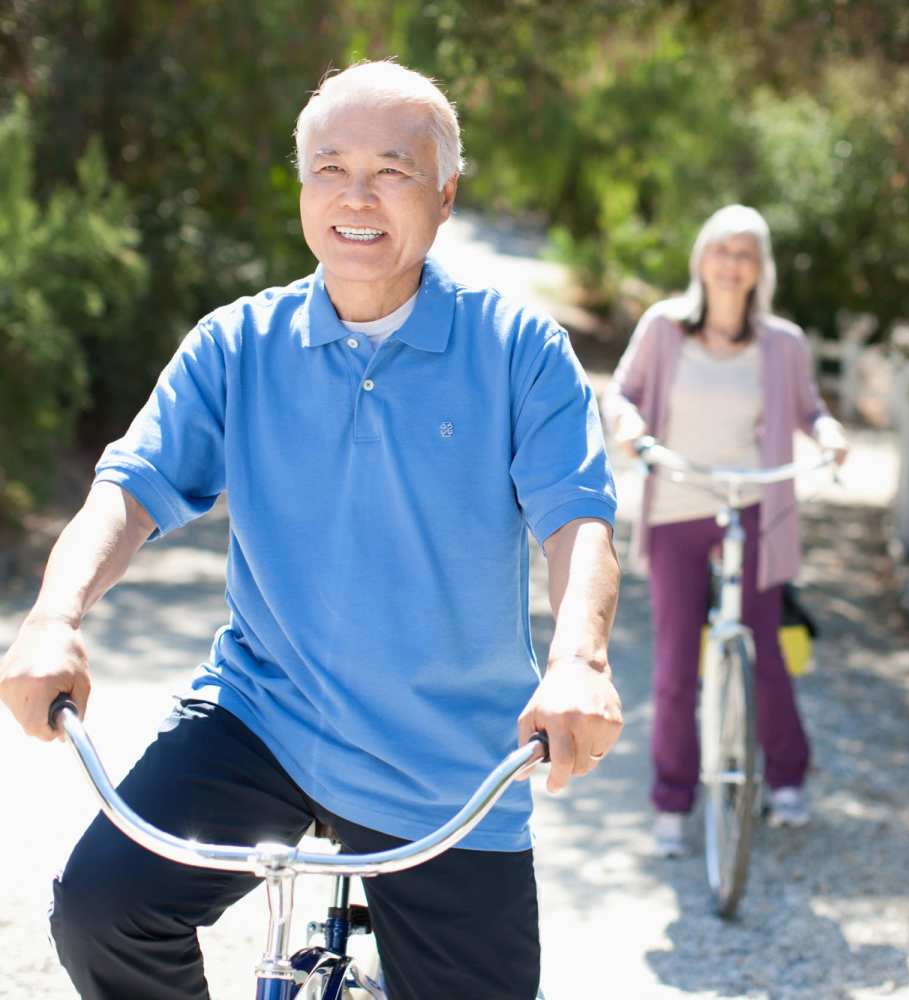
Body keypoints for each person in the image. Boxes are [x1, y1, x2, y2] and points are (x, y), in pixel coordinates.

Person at [0, 61, 623, 1000]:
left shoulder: (519, 351)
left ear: (446, 196)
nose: (356, 197)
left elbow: (577, 519)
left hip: (448, 764)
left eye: (392, 171)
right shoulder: (236, 344)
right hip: (265, 719)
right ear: (302, 190)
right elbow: (129, 489)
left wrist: (580, 661)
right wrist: (54, 617)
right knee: (101, 909)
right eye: (331, 169)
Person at [602, 204, 846, 858]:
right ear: (701, 258)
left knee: (764, 648)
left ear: (760, 268)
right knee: (676, 663)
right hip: (679, 500)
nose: (731, 264)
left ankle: (787, 778)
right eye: (721, 249)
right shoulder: (664, 328)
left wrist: (829, 435)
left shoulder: (783, 343)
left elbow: (813, 410)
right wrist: (630, 427)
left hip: (754, 504)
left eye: (745, 253)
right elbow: (622, 393)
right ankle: (671, 801)